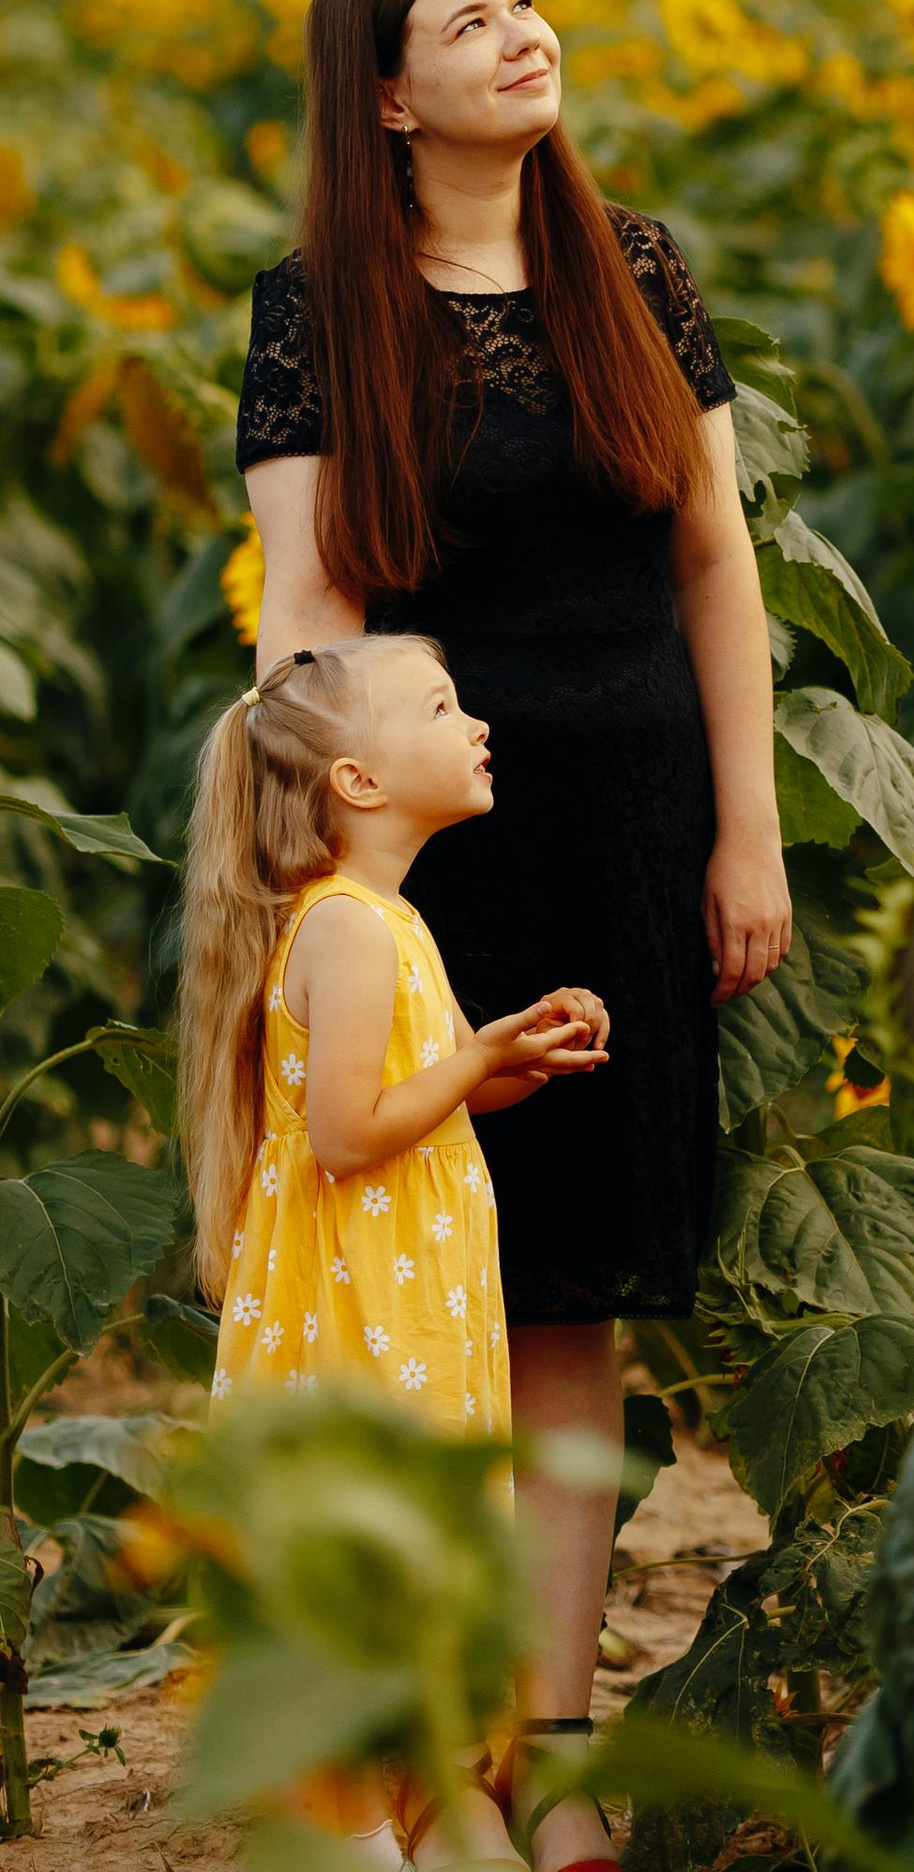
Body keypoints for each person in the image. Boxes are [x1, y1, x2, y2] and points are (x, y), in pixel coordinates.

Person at [237, 0, 792, 1872]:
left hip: (633, 822)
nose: (523, 35)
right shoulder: (318, 304)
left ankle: (544, 1764)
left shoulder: (629, 266)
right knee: (426, 1281)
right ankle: (423, 1743)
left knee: (570, 1305)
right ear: (386, 98)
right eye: (470, 23)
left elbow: (715, 562)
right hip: (434, 834)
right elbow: (307, 615)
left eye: (529, 6)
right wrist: (322, 877)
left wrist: (754, 831)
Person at [180, 630, 610, 1859]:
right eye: (441, 705)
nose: (477, 724)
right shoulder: (351, 931)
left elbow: (418, 1098)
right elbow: (348, 1133)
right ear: (358, 783)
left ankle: (415, 1803)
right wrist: (473, 1059)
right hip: (364, 1317)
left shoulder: (383, 921)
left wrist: (504, 1061)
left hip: (405, 1305)